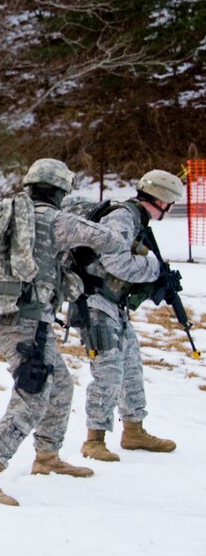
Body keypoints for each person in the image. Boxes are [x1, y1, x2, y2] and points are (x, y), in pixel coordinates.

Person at [0, 158, 123, 506]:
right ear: (61, 191)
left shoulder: (10, 216)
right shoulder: (54, 219)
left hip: (8, 315)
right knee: (34, 392)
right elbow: (109, 240)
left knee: (60, 384)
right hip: (28, 321)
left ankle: (47, 456)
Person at [76, 169, 185, 461]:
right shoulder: (122, 218)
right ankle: (94, 439)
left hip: (115, 304)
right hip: (96, 302)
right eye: (172, 203)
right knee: (108, 370)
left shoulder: (137, 220)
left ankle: (134, 430)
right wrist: (155, 270)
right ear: (163, 200)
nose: (171, 209)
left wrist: (159, 281)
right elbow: (117, 263)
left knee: (131, 368)